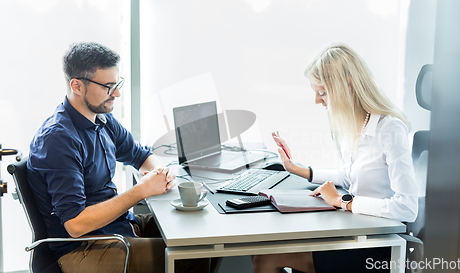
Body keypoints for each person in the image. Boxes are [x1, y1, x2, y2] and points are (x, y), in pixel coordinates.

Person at [27, 42, 221, 273]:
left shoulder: (101, 119)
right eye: (108, 86)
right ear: (77, 86)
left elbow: (141, 155)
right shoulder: (59, 140)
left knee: (206, 240)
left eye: (117, 84)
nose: (117, 93)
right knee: (191, 255)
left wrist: (160, 172)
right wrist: (142, 190)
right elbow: (76, 224)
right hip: (83, 248)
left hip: (119, 228)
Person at [251, 43, 418, 273]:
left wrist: (342, 202)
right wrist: (297, 169)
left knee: (265, 259)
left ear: (347, 86)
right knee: (260, 248)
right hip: (356, 232)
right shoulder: (358, 125)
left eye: (322, 93)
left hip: (377, 248)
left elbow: (407, 208)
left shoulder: (390, 129)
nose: (318, 101)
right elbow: (347, 175)